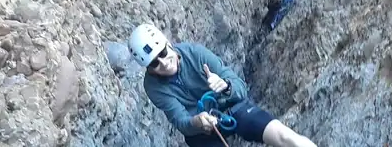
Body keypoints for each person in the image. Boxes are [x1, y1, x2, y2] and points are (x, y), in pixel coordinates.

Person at [128, 23, 317, 147]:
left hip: (232, 108)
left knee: (286, 138)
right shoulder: (153, 86)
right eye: (154, 63)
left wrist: (226, 87)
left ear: (168, 44)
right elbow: (180, 121)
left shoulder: (196, 54)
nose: (163, 63)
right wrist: (197, 122)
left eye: (162, 53)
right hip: (201, 132)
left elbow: (240, 88)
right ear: (148, 68)